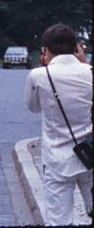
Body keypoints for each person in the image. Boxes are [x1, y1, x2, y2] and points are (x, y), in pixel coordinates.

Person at [24, 23, 93, 225]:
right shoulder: (90, 71)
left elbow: (33, 107)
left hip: (57, 159)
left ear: (45, 49)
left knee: (59, 220)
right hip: (90, 156)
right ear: (75, 47)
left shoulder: (38, 76)